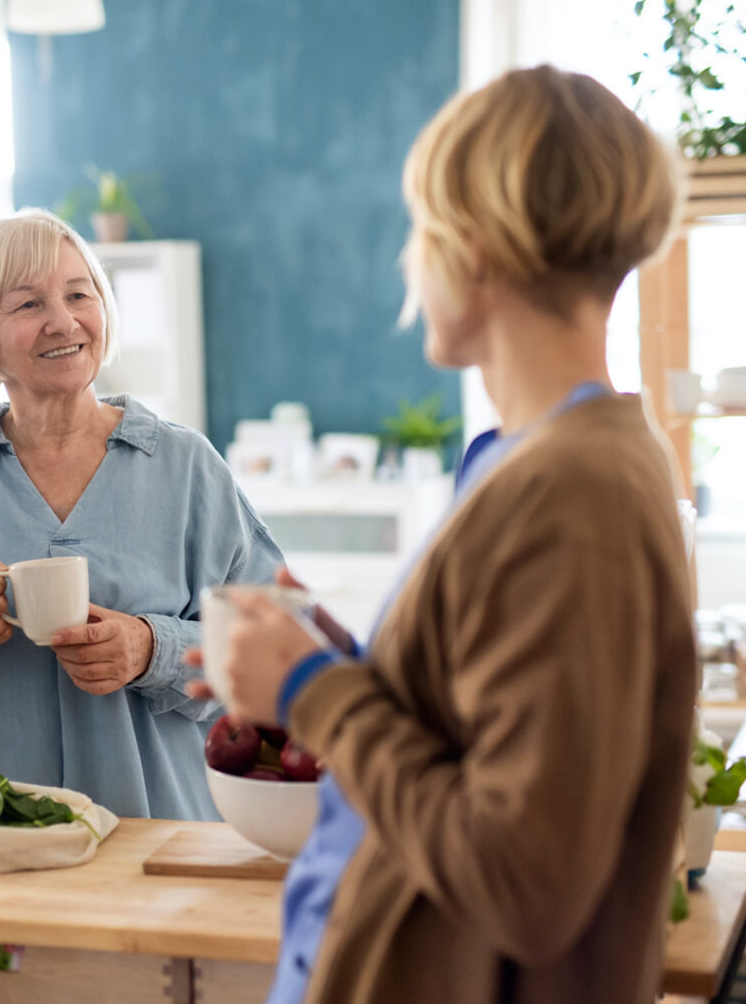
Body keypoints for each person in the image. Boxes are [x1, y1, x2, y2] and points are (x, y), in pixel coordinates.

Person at [196, 66, 697, 1003]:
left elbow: (526, 878)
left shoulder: (569, 493)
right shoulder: (558, 460)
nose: (410, 263)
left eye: (419, 230)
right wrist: (338, 662)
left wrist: (314, 692)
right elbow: (486, 726)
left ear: (473, 246)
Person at [0, 208, 284, 820]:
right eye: (27, 305)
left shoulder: (186, 466)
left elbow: (272, 650)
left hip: (154, 836)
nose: (63, 321)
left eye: (79, 294)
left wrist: (150, 647)